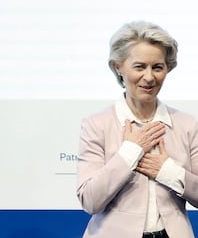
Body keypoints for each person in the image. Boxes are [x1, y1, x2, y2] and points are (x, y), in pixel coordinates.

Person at [76, 21, 198, 238]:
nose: (149, 77)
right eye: (139, 67)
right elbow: (90, 201)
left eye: (157, 67)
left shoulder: (187, 124)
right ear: (118, 67)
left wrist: (168, 172)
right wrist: (130, 151)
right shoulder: (97, 124)